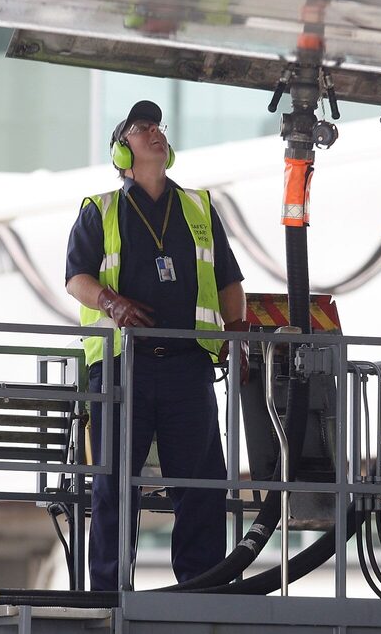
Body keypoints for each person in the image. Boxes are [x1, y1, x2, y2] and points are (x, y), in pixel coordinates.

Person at [65, 100, 250, 591]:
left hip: (188, 364)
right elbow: (75, 279)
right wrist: (112, 304)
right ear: (122, 150)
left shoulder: (197, 208)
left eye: (158, 126)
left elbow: (230, 278)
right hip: (124, 367)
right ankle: (108, 592)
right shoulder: (100, 210)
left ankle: (202, 586)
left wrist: (236, 329)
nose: (154, 132)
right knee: (113, 486)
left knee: (203, 483)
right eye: (140, 128)